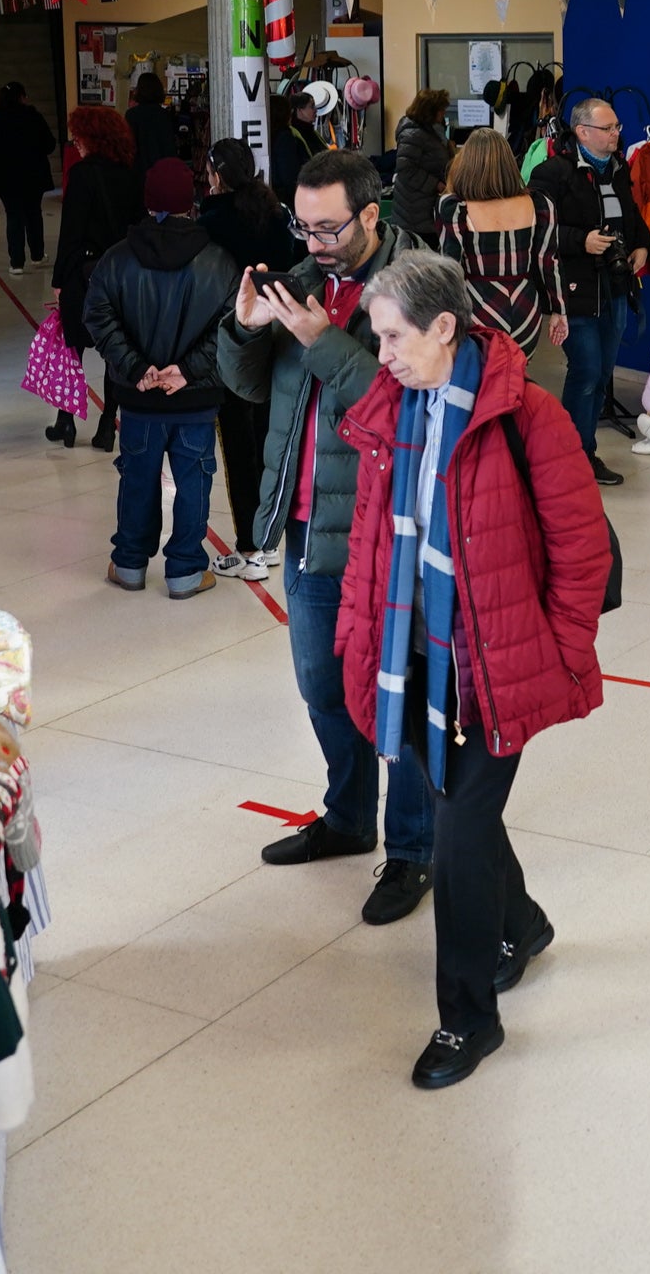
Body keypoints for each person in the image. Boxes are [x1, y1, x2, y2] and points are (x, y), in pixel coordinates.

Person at [335, 251, 609, 1089]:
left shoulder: (528, 417)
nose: (379, 354)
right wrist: (356, 634)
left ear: (445, 327)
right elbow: (371, 543)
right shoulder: (392, 412)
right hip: (413, 661)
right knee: (467, 817)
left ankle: (466, 1022)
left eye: (392, 336)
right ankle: (519, 924)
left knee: (455, 844)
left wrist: (560, 651)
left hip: (494, 672)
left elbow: (580, 548)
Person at [216, 149, 432, 928]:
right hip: (309, 527)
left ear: (371, 215)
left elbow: (405, 403)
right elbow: (245, 387)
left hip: (391, 534)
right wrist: (242, 331)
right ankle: (348, 817)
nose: (313, 242)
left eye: (329, 227)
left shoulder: (421, 289)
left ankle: (411, 849)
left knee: (398, 700)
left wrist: (322, 342)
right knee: (321, 685)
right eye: (301, 226)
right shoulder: (300, 281)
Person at [85, 158, 240, 599]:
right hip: (196, 398)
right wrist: (187, 370)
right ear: (192, 202)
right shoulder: (219, 261)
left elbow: (96, 314)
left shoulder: (116, 259)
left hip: (140, 399)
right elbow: (231, 325)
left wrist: (136, 368)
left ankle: (130, 564)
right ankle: (186, 570)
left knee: (137, 478)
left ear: (148, 202)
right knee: (194, 482)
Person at [530, 94, 649, 485]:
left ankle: (579, 452)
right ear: (582, 132)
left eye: (617, 127)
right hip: (574, 290)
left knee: (601, 375)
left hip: (614, 286)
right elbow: (535, 230)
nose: (617, 133)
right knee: (586, 370)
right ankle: (573, 457)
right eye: (608, 127)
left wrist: (641, 245)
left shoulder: (617, 169)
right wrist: (580, 240)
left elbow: (630, 217)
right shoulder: (553, 173)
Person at [197, 140, 290, 585]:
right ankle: (270, 542)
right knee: (270, 440)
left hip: (234, 341)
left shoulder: (211, 221)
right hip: (276, 338)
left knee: (238, 447)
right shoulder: (275, 213)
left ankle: (250, 547)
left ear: (216, 174)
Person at [49, 105, 143, 450]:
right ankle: (107, 426)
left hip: (83, 272)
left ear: (92, 137)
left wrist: (59, 279)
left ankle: (67, 420)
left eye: (78, 137)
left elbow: (70, 232)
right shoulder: (132, 172)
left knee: (71, 347)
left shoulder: (83, 174)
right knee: (113, 352)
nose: (76, 143)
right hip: (119, 273)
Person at [435, 129, 566, 354]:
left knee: (479, 381)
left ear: (467, 163)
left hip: (476, 305)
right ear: (509, 162)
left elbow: (450, 267)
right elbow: (548, 261)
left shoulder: (454, 208)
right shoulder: (539, 203)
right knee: (516, 380)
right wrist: (559, 310)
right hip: (526, 307)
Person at [0, 80, 57, 273]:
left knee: (14, 217)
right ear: (22, 97)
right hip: (33, 176)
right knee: (33, 214)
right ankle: (37, 255)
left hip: (6, 178)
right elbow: (49, 144)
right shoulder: (33, 116)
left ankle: (16, 263)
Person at [392, 86, 454, 241]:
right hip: (414, 212)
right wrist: (436, 185)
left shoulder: (432, 131)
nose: (444, 113)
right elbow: (406, 170)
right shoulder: (412, 134)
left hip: (423, 207)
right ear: (430, 111)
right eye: (441, 110)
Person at [267, 88, 323, 200]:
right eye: (311, 106)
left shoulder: (272, 135)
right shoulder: (287, 136)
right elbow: (290, 175)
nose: (315, 110)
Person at [126, 71, 182, 170]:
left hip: (138, 171)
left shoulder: (131, 115)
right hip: (161, 170)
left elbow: (128, 146)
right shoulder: (164, 115)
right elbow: (169, 147)